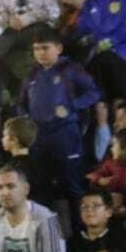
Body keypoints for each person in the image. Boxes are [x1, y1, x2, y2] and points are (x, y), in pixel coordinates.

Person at [23, 25, 103, 205]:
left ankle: (80, 231)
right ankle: (47, 232)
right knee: (40, 188)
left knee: (73, 186)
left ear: (58, 48)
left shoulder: (71, 69)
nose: (40, 53)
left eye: (45, 48)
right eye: (36, 49)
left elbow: (94, 93)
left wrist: (71, 106)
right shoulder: (32, 73)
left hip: (65, 133)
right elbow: (22, 104)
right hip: (38, 136)